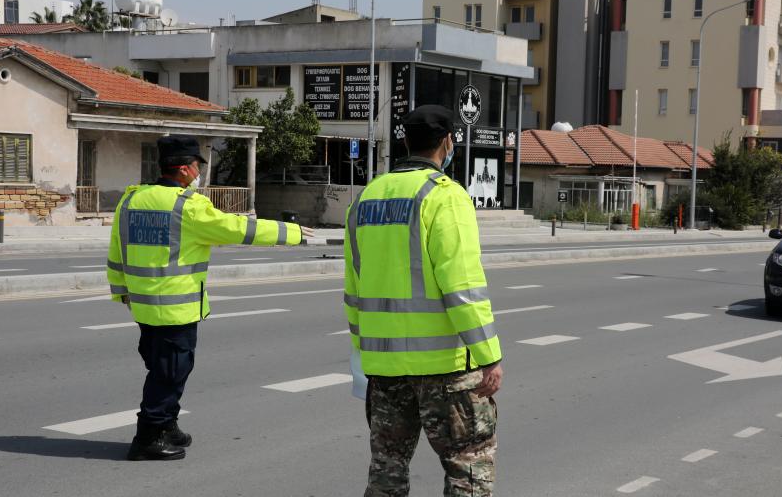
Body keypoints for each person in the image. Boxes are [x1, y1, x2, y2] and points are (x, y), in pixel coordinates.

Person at [107, 135, 313, 461]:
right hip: (176, 309)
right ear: (187, 169)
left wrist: (121, 292)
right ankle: (148, 436)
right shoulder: (187, 207)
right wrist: (292, 233)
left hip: (144, 307)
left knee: (164, 369)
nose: (198, 173)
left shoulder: (131, 200)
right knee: (170, 372)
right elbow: (237, 229)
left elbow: (117, 251)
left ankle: (167, 426)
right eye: (197, 166)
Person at [344, 105, 504, 496]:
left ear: (404, 142)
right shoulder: (445, 197)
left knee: (387, 468)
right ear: (448, 143)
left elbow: (353, 291)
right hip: (444, 369)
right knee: (468, 466)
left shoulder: (366, 198)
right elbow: (462, 287)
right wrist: (489, 356)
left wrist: (365, 353)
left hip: (384, 368)